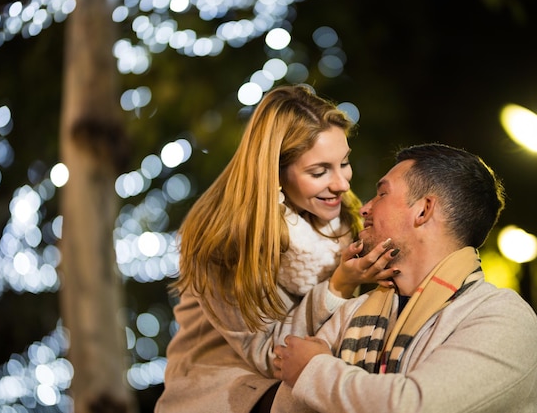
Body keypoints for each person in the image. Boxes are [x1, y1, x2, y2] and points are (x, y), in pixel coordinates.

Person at [154, 85, 398, 413]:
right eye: (319, 171)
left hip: (291, 382)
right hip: (225, 393)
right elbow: (270, 355)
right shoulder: (225, 239)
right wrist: (339, 285)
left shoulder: (342, 215)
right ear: (276, 174)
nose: (342, 183)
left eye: (344, 162)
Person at [272, 143, 537, 413]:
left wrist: (314, 370)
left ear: (424, 210)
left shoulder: (501, 315)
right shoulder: (352, 312)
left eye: (382, 194)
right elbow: (286, 402)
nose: (364, 208)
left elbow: (414, 406)